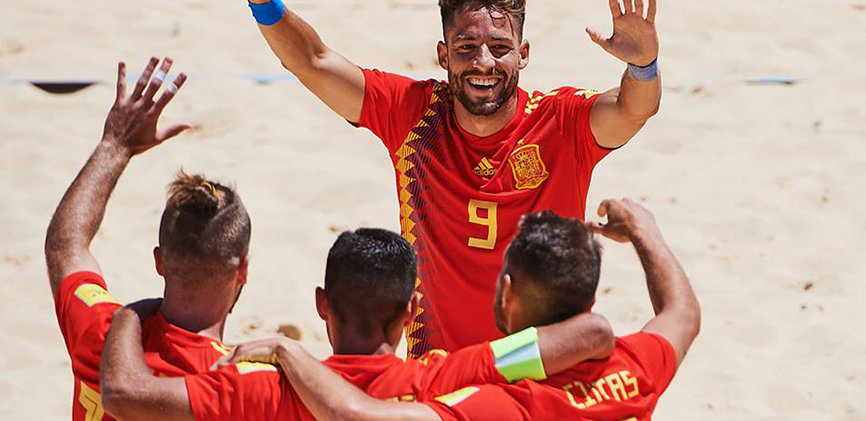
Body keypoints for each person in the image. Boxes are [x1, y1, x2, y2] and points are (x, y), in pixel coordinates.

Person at [241, 0, 663, 356]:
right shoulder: (412, 114)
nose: (483, 62)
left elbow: (635, 108)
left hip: (544, 371)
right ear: (444, 55)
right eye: (466, 47)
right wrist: (263, 3)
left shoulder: (561, 121)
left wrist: (643, 65)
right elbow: (314, 61)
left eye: (500, 49)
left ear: (523, 54)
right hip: (440, 376)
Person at [211, 199, 700, 421]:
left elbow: (355, 415)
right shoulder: (636, 369)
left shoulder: (502, 401)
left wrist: (285, 351)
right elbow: (683, 313)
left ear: (507, 292)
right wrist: (644, 230)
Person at [99, 228, 615, 421]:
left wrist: (130, 313)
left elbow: (123, 394)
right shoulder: (448, 379)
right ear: (412, 312)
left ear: (322, 304)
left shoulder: (260, 389)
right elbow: (592, 335)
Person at [45, 57, 253, 420]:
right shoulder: (240, 388)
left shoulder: (100, 329)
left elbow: (66, 244)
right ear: (243, 271)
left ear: (159, 259)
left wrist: (115, 146)